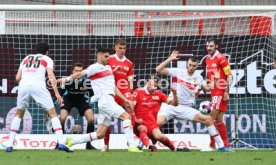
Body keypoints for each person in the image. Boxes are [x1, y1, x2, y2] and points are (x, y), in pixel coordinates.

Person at [59, 47, 141, 152]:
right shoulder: (94, 67)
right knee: (127, 117)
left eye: (108, 56)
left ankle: (71, 141)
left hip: (108, 100)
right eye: (106, 56)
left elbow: (114, 87)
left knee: (100, 133)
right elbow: (80, 74)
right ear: (99, 56)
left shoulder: (108, 68)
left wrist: (124, 99)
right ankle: (132, 146)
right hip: (105, 99)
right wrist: (66, 79)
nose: (108, 58)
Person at [155, 51, 233, 152]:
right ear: (187, 63)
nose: (191, 67)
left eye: (194, 66)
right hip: (171, 105)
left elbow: (208, 89)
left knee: (208, 120)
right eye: (190, 65)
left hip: (185, 108)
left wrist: (217, 80)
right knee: (156, 124)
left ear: (197, 66)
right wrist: (170, 59)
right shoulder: (178, 71)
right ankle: (142, 143)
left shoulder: (198, 78)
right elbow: (158, 69)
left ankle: (221, 147)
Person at [6, 42, 71, 152]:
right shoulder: (47, 59)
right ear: (47, 52)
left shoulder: (26, 58)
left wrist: (25, 83)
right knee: (53, 114)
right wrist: (57, 93)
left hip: (23, 85)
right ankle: (61, 143)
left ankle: (9, 145)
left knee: (19, 114)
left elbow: (17, 77)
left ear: (36, 50)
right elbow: (51, 76)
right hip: (38, 85)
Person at [103, 39, 135, 151]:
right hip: (111, 91)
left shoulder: (129, 63)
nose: (122, 50)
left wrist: (130, 93)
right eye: (120, 48)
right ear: (115, 48)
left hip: (124, 90)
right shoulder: (109, 59)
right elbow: (103, 73)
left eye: (124, 48)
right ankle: (106, 144)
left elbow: (130, 80)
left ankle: (131, 141)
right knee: (106, 118)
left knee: (131, 106)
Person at [133, 76, 178, 152]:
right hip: (139, 123)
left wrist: (174, 93)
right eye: (151, 84)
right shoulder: (138, 92)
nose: (152, 86)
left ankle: (174, 149)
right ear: (147, 82)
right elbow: (131, 107)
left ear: (156, 85)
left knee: (160, 137)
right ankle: (149, 146)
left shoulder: (159, 94)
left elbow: (175, 104)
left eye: (154, 85)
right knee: (142, 128)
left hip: (152, 124)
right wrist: (135, 119)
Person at [58, 62, 96, 150]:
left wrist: (90, 100)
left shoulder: (86, 81)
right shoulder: (67, 81)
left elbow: (92, 94)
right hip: (69, 99)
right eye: (76, 71)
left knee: (91, 119)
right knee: (62, 118)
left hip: (81, 100)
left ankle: (88, 144)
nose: (78, 73)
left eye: (80, 71)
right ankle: (60, 142)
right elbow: (59, 94)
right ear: (72, 71)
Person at [205, 38, 233, 151]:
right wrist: (209, 86)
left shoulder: (221, 58)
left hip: (221, 91)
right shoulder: (207, 59)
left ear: (216, 46)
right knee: (219, 119)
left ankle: (212, 145)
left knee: (210, 118)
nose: (209, 48)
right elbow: (211, 76)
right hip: (214, 91)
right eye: (207, 46)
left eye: (211, 46)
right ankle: (226, 145)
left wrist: (227, 91)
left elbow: (229, 75)